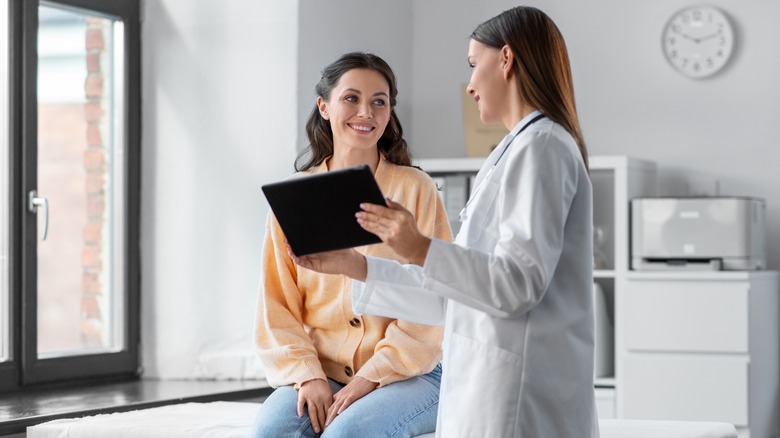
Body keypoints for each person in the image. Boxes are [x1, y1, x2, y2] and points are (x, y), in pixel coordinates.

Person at [290, 6, 599, 438]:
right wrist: (355, 266)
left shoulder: (543, 147)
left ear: (506, 59)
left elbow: (517, 285)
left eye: (475, 65)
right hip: (486, 383)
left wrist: (419, 247)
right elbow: (452, 296)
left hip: (519, 395)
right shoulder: (514, 150)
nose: (470, 84)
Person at [251, 52, 452, 438]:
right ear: (324, 107)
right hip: (320, 369)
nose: (366, 111)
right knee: (272, 434)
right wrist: (309, 377)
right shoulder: (294, 198)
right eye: (351, 98)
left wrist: (370, 378)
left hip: (412, 372)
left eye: (379, 101)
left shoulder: (415, 190)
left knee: (347, 434)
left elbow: (434, 300)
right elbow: (275, 305)